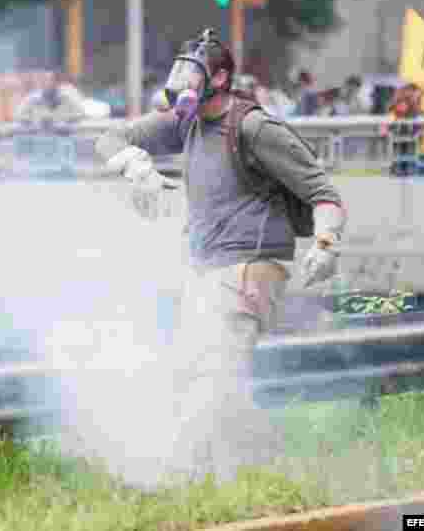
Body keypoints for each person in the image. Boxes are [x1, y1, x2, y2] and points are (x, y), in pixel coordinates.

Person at [95, 28, 347, 480]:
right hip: (207, 269)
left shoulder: (253, 127)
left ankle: (178, 480)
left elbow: (323, 193)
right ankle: (274, 470)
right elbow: (108, 138)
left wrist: (326, 243)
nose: (182, 84)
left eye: (193, 74)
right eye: (180, 72)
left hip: (252, 267)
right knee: (191, 375)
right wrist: (136, 165)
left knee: (213, 375)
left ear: (222, 76)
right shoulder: (185, 122)